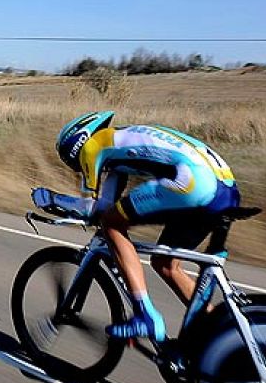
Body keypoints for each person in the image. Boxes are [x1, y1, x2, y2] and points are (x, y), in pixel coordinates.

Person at [32, 111, 239, 342]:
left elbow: (91, 209)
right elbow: (103, 205)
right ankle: (221, 333)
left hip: (194, 182)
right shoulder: (118, 144)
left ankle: (144, 315)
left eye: (73, 163)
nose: (78, 169)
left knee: (111, 224)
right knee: (165, 264)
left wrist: (51, 199)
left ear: (75, 145)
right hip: (224, 188)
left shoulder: (92, 147)